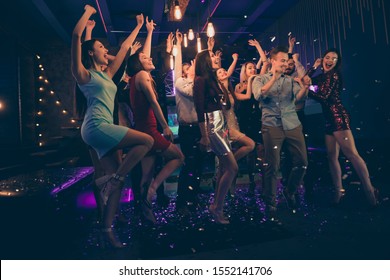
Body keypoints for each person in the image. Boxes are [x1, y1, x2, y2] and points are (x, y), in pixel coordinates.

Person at [71, 5, 153, 248]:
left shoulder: (107, 74)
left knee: (118, 184)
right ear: (90, 54)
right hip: (95, 127)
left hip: (102, 127)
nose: (105, 50)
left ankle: (107, 229)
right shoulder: (83, 75)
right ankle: (114, 178)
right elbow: (76, 38)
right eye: (100, 47)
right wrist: (86, 12)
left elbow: (126, 48)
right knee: (146, 141)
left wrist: (138, 26)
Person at [126, 18, 184, 224]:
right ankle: (153, 189)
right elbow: (154, 103)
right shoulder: (141, 75)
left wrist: (149, 31)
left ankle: (146, 209)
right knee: (178, 157)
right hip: (149, 130)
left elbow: (144, 57)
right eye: (144, 58)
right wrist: (167, 126)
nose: (150, 59)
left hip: (144, 130)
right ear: (137, 63)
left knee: (147, 173)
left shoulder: (138, 75)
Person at [306, 48, 379, 206]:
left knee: (352, 154)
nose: (330, 60)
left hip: (338, 117)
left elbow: (324, 97)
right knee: (332, 156)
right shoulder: (321, 76)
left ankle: (369, 190)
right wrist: (313, 67)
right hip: (328, 119)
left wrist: (307, 91)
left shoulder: (334, 75)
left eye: (334, 58)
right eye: (327, 57)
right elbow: (305, 80)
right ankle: (338, 193)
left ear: (337, 62)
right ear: (323, 59)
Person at [252, 46, 310, 218]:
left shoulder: (290, 80)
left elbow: (300, 98)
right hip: (271, 125)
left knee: (302, 162)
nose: (286, 64)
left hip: (292, 123)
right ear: (273, 61)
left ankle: (289, 190)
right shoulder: (259, 79)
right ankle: (270, 202)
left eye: (287, 61)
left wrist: (305, 87)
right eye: (283, 60)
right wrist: (274, 77)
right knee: (272, 165)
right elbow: (258, 96)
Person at [193, 49, 238, 224]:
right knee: (232, 168)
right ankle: (217, 207)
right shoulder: (200, 80)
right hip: (211, 125)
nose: (216, 57)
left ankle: (216, 206)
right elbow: (199, 109)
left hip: (222, 123)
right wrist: (204, 135)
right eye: (212, 56)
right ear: (205, 61)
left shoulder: (212, 78)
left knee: (223, 168)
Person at [173, 31, 204, 215]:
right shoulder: (180, 82)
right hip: (187, 129)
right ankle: (182, 202)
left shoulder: (199, 82)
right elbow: (193, 94)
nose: (192, 67)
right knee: (188, 166)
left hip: (199, 129)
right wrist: (178, 46)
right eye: (189, 66)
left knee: (199, 165)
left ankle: (194, 199)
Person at [215, 54, 255, 194]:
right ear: (217, 78)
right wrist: (234, 60)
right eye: (220, 72)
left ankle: (230, 192)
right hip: (225, 130)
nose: (224, 72)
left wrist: (250, 81)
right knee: (250, 144)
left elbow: (248, 96)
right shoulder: (218, 92)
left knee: (230, 167)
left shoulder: (232, 93)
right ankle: (220, 193)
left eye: (224, 71)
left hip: (235, 126)